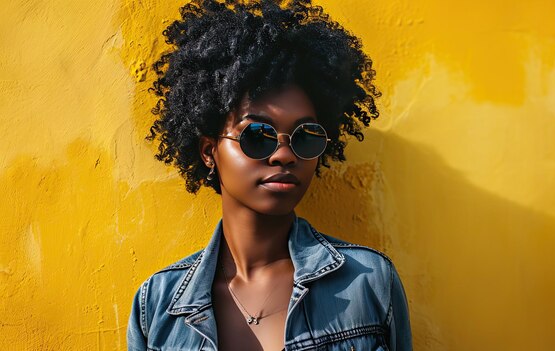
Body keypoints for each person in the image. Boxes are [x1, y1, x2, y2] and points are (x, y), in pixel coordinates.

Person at [126, 0, 412, 350]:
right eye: (257, 136)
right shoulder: (157, 306)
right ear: (208, 151)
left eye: (305, 136)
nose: (284, 154)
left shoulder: (367, 282)